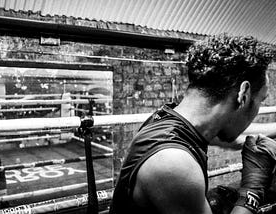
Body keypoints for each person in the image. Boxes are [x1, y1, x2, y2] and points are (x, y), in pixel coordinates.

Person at [109, 34, 276, 214]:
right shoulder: (173, 163)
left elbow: (237, 139)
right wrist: (252, 190)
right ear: (243, 94)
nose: (259, 107)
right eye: (260, 100)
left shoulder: (172, 120)